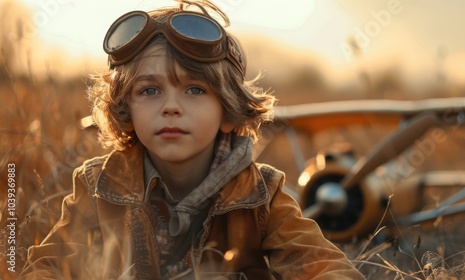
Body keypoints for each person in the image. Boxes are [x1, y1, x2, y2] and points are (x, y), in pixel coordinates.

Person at [21, 1, 365, 279]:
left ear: (229, 113)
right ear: (126, 110)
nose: (171, 106)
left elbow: (326, 268)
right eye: (150, 90)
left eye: (195, 89)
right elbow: (47, 267)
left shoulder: (263, 195)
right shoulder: (97, 186)